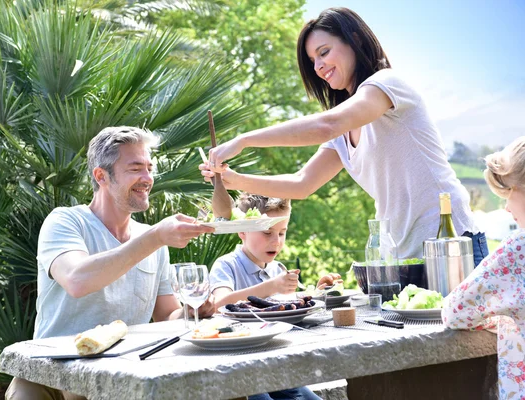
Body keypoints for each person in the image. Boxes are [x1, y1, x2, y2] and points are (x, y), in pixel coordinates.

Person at [200, 7, 487, 264]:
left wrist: (243, 139)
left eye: (324, 52)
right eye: (313, 59)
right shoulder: (342, 129)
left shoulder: (387, 84)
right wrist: (232, 179)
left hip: (449, 244)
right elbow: (302, 184)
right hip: (399, 255)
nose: (318, 66)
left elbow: (327, 125)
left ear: (356, 40)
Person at [6, 126, 216, 400]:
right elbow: (77, 280)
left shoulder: (152, 239)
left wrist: (192, 310)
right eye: (135, 168)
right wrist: (156, 237)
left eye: (149, 168)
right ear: (101, 176)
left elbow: (166, 315)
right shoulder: (65, 222)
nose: (147, 178)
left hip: (122, 376)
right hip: (53, 375)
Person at [210, 194, 321, 400]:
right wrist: (270, 287)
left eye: (282, 232)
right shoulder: (226, 265)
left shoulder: (277, 268)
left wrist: (318, 292)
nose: (276, 241)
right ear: (242, 230)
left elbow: (291, 305)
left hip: (276, 361)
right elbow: (218, 305)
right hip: (240, 365)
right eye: (267, 232)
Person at [442, 137, 525, 399]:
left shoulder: (518, 249)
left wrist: (502, 314)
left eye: (509, 192)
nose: (507, 206)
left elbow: (455, 311)